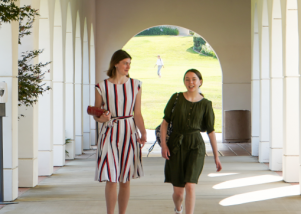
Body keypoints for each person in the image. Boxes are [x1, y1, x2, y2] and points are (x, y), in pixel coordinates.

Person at [160, 69, 222, 214]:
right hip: (176, 146)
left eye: (194, 79)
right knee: (179, 194)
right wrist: (164, 144)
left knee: (190, 186)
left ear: (200, 81)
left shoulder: (206, 104)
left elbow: (211, 131)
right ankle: (178, 208)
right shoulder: (176, 98)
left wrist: (216, 156)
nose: (190, 82)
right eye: (187, 79)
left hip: (196, 146)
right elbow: (165, 122)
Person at [94, 49, 147, 214]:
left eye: (130, 63)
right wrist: (103, 118)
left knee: (125, 179)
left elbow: (137, 113)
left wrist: (144, 133)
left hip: (129, 133)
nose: (128, 66)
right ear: (115, 63)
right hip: (109, 134)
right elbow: (96, 115)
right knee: (111, 178)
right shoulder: (101, 86)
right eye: (125, 63)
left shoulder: (136, 85)